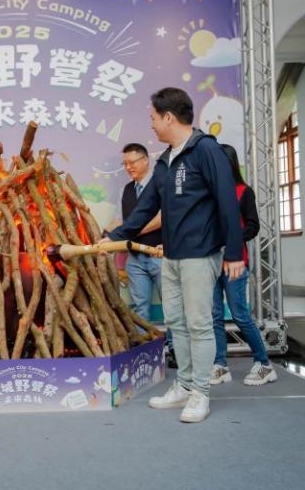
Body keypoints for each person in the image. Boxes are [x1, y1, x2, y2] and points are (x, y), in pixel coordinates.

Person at [99, 87, 244, 423]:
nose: (151, 124)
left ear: (168, 117)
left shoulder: (206, 150)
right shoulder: (165, 160)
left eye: (153, 117)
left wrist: (234, 252)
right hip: (171, 256)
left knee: (199, 324)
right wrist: (113, 238)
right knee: (176, 323)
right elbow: (145, 207)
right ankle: (185, 384)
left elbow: (227, 201)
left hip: (200, 255)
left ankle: (201, 393)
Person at [104, 144, 177, 367]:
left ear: (145, 160)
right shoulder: (126, 190)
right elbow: (119, 220)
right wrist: (103, 236)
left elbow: (162, 217)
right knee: (139, 307)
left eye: (132, 162)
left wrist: (131, 231)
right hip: (135, 258)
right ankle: (142, 351)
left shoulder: (160, 185)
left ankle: (175, 350)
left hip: (160, 255)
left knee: (171, 306)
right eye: (125, 164)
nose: (128, 167)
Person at [210, 145, 277, 386]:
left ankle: (264, 364)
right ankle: (220, 365)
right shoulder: (208, 192)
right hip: (210, 262)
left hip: (235, 263)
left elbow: (253, 225)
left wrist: (232, 242)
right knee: (215, 316)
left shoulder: (243, 191)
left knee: (239, 314)